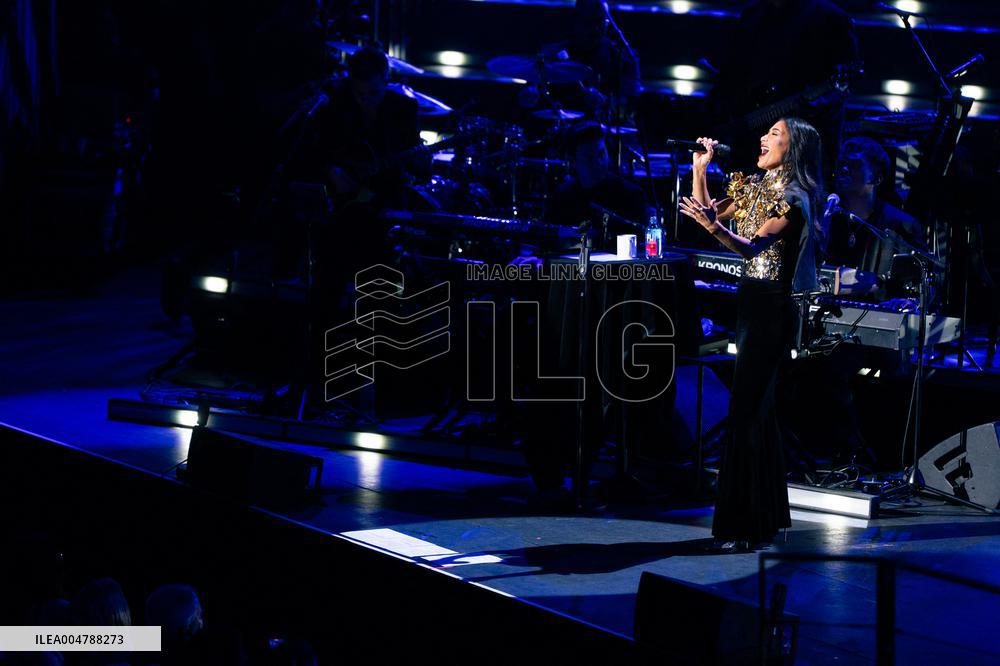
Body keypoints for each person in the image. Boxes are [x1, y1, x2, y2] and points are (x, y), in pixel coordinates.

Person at [679, 117, 824, 552]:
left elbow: (752, 246)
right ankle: (763, 519)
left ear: (793, 148)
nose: (763, 138)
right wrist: (701, 171)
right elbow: (714, 211)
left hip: (770, 308)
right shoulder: (757, 187)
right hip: (750, 303)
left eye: (775, 134)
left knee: (746, 411)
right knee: (755, 414)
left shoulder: (794, 198)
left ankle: (743, 525)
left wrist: (711, 227)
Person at [707, 0, 858, 179]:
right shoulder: (753, 15)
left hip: (802, 148)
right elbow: (731, 77)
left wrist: (812, 106)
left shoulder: (829, 18)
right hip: (748, 143)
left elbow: (841, 87)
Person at [826, 136, 925, 299]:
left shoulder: (901, 226)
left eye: (854, 164)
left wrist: (905, 303)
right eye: (842, 163)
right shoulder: (827, 216)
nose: (843, 169)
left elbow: (916, 284)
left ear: (877, 178)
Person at [546, 122, 651, 251]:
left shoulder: (631, 195)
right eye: (589, 158)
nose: (598, 163)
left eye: (601, 154)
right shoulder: (561, 198)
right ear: (573, 161)